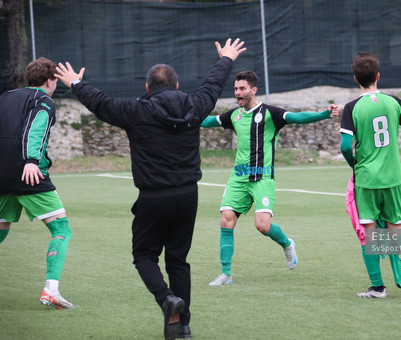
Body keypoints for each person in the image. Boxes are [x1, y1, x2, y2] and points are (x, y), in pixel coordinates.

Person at [55, 38, 246, 340]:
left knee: (144, 256)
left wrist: (77, 83)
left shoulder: (136, 112)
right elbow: (212, 86)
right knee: (178, 261)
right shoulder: (194, 106)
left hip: (153, 198)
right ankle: (182, 326)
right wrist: (225, 59)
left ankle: (166, 299)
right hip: (187, 197)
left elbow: (102, 104)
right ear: (177, 85)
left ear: (147, 88)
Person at [201, 70, 338, 286]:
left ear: (253, 90)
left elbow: (296, 118)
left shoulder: (269, 113)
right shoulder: (234, 115)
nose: (238, 92)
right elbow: (209, 121)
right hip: (239, 177)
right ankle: (225, 274)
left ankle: (286, 244)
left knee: (262, 225)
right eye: (236, 88)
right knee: (226, 219)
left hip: (263, 178)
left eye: (242, 88)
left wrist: (323, 114)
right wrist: (185, 118)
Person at [340, 52, 401, 301]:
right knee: (396, 228)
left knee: (370, 233)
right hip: (393, 178)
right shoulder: (394, 102)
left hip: (367, 180)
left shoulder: (352, 108)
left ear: (356, 78)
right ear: (378, 76)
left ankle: (378, 287)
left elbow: (346, 146)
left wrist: (355, 166)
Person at [0, 57, 78, 309]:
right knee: (61, 229)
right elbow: (36, 128)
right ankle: (50, 291)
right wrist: (31, 160)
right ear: (49, 80)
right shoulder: (42, 100)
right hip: (27, 173)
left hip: (2, 174)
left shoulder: (6, 97)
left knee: (1, 229)